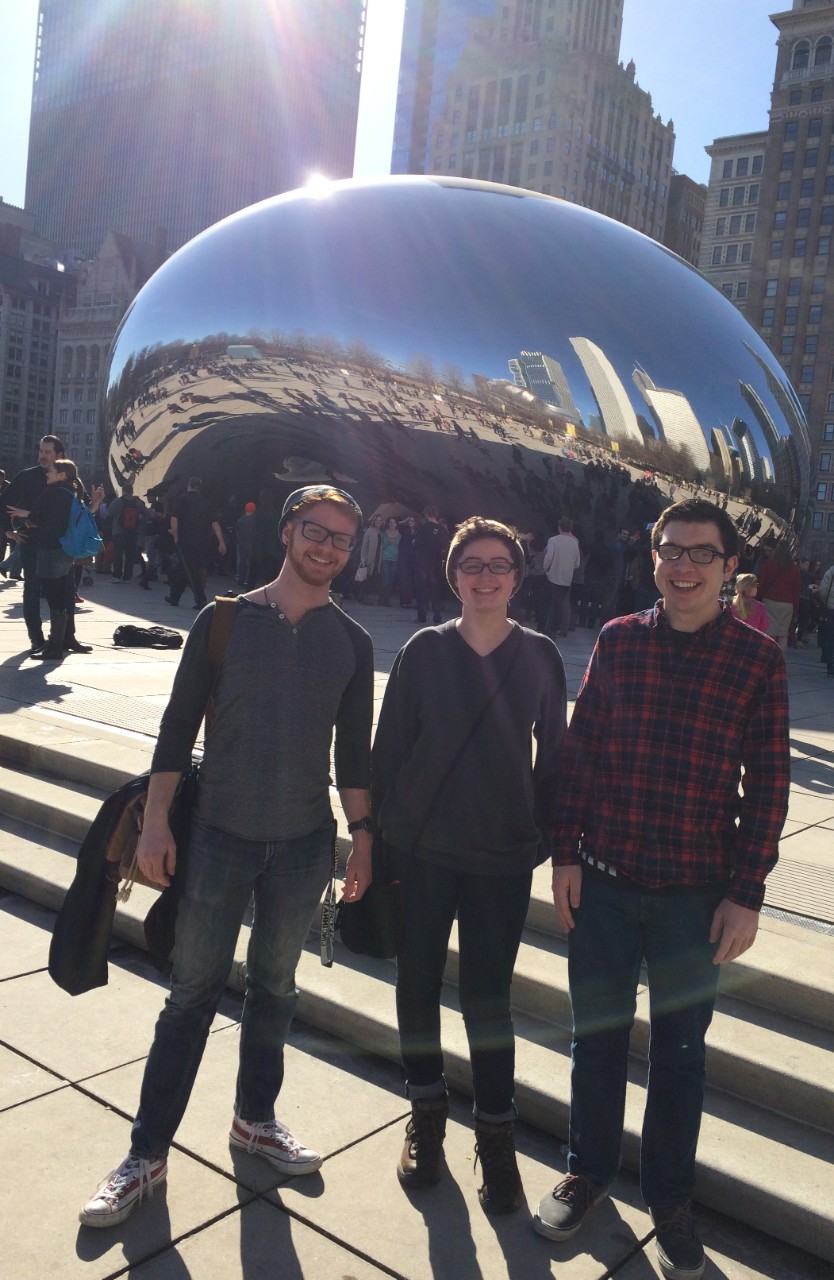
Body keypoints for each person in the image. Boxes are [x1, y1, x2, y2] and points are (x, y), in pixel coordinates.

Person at [79, 485, 375, 1228]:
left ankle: (255, 1119)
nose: (327, 547)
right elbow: (178, 730)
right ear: (286, 532)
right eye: (316, 531)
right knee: (191, 995)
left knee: (276, 989)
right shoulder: (225, 620)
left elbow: (355, 757)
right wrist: (154, 829)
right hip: (217, 835)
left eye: (342, 539)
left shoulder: (354, 642)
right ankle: (144, 1155)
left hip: (305, 845)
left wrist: (362, 836)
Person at [534, 499, 790, 1280]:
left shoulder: (757, 658)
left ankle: (670, 1199)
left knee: (680, 1055)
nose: (681, 567)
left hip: (694, 896)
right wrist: (566, 854)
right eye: (670, 551)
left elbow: (771, 783)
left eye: (699, 554)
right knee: (596, 1042)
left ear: (726, 567)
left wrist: (747, 891)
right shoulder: (616, 643)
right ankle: (589, 1171)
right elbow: (581, 755)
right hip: (606, 883)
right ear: (654, 558)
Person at [372, 517, 566, 1215]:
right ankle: (426, 1114)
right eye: (472, 565)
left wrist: (538, 838)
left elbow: (556, 762)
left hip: (500, 859)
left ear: (517, 577)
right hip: (423, 849)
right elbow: (389, 749)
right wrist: (373, 839)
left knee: (489, 1001)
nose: (485, 577)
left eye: (498, 565)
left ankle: (495, 1135)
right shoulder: (424, 651)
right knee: (417, 984)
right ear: (454, 576)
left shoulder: (541, 655)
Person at [4, 435, 102, 654]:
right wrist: (8, 531)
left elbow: (82, 511)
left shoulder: (71, 482)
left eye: (47, 452)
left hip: (61, 547)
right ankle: (37, 640)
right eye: (40, 451)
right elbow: (4, 502)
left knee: (66, 593)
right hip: (32, 544)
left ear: (59, 455)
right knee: (32, 591)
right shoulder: (27, 476)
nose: (42, 456)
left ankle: (66, 639)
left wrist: (94, 503)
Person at [165, 477, 226, 609]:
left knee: (190, 569)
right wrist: (221, 541)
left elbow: (174, 519)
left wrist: (175, 537)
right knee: (186, 568)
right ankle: (174, 597)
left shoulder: (183, 499)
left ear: (189, 486)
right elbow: (215, 523)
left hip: (185, 541)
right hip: (202, 542)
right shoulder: (206, 503)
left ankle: (201, 599)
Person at [756, 543, 800, 654]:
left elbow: (761, 584)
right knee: (783, 635)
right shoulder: (794, 569)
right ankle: (780, 663)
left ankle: (767, 659)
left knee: (769, 633)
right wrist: (795, 611)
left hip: (770, 600)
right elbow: (796, 591)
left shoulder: (768, 565)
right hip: (787, 604)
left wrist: (758, 599)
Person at [543, 517, 581, 637]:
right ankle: (554, 629)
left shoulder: (553, 540)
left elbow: (549, 557)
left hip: (553, 575)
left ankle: (547, 628)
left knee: (550, 603)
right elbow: (577, 563)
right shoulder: (575, 543)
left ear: (559, 527)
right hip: (566, 578)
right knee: (559, 604)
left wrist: (546, 568)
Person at [414, 505, 450, 625]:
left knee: (422, 591)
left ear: (427, 514)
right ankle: (437, 616)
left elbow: (418, 543)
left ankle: (422, 617)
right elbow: (446, 547)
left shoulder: (424, 528)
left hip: (423, 563)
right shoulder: (443, 530)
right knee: (436, 591)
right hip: (436, 564)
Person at [107, 483, 147, 582]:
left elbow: (109, 512)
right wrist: (140, 519)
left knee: (118, 554)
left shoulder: (118, 501)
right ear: (132, 491)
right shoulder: (138, 503)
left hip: (119, 532)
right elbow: (148, 514)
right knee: (130, 555)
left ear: (123, 490)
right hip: (133, 532)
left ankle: (116, 576)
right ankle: (127, 577)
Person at [378, 515, 401, 606]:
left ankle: (387, 600)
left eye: (394, 523)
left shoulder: (399, 534)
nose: (392, 524)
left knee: (391, 580)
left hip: (394, 559)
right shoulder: (383, 533)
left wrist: (391, 542)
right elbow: (384, 544)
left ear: (396, 524)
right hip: (385, 558)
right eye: (391, 522)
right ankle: (381, 599)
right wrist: (390, 542)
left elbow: (397, 544)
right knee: (385, 579)